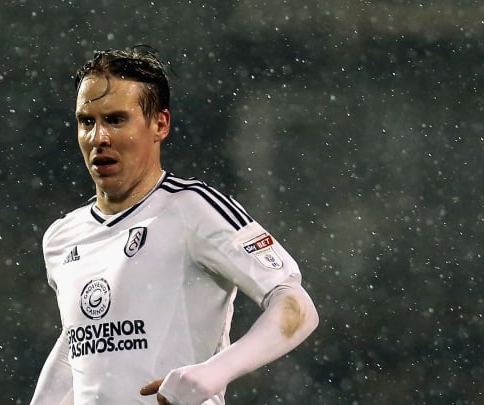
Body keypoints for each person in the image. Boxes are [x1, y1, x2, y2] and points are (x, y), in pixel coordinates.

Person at [30, 46, 319, 405]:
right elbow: (79, 344)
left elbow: (296, 306)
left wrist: (212, 373)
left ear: (160, 125)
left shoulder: (192, 209)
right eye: (87, 121)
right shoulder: (62, 237)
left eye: (116, 120)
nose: (98, 137)